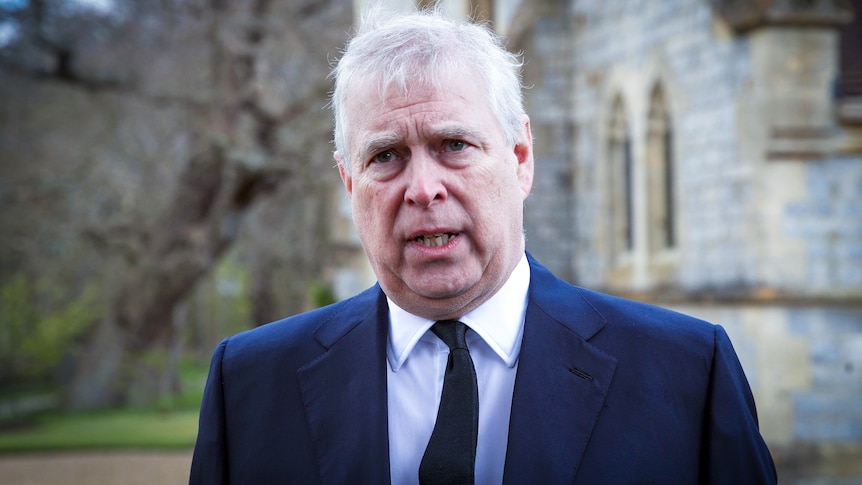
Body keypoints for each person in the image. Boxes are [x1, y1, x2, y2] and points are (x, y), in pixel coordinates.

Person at [190, 8, 777, 484]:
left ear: (520, 159)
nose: (423, 189)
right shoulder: (248, 386)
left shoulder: (687, 375)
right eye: (386, 156)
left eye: (453, 144)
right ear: (349, 182)